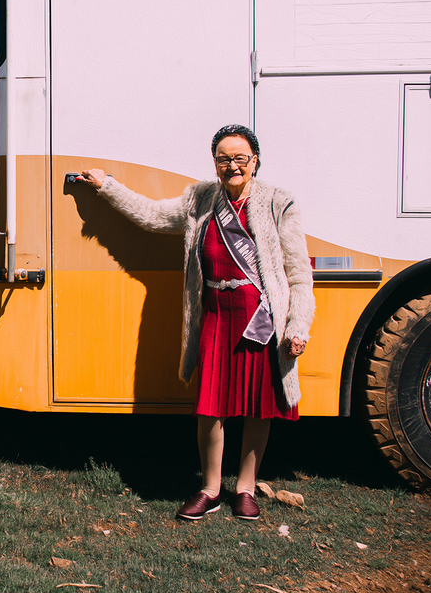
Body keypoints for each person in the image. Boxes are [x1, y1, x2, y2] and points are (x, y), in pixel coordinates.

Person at [80, 124, 314, 521]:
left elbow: (297, 274)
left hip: (260, 318)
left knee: (259, 407)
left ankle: (244, 488)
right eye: (224, 158)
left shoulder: (279, 203)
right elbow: (153, 216)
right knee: (211, 406)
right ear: (215, 163)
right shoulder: (201, 198)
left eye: (240, 158)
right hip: (216, 315)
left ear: (255, 161)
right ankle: (210, 488)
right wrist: (108, 187)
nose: (232, 166)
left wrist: (297, 327)